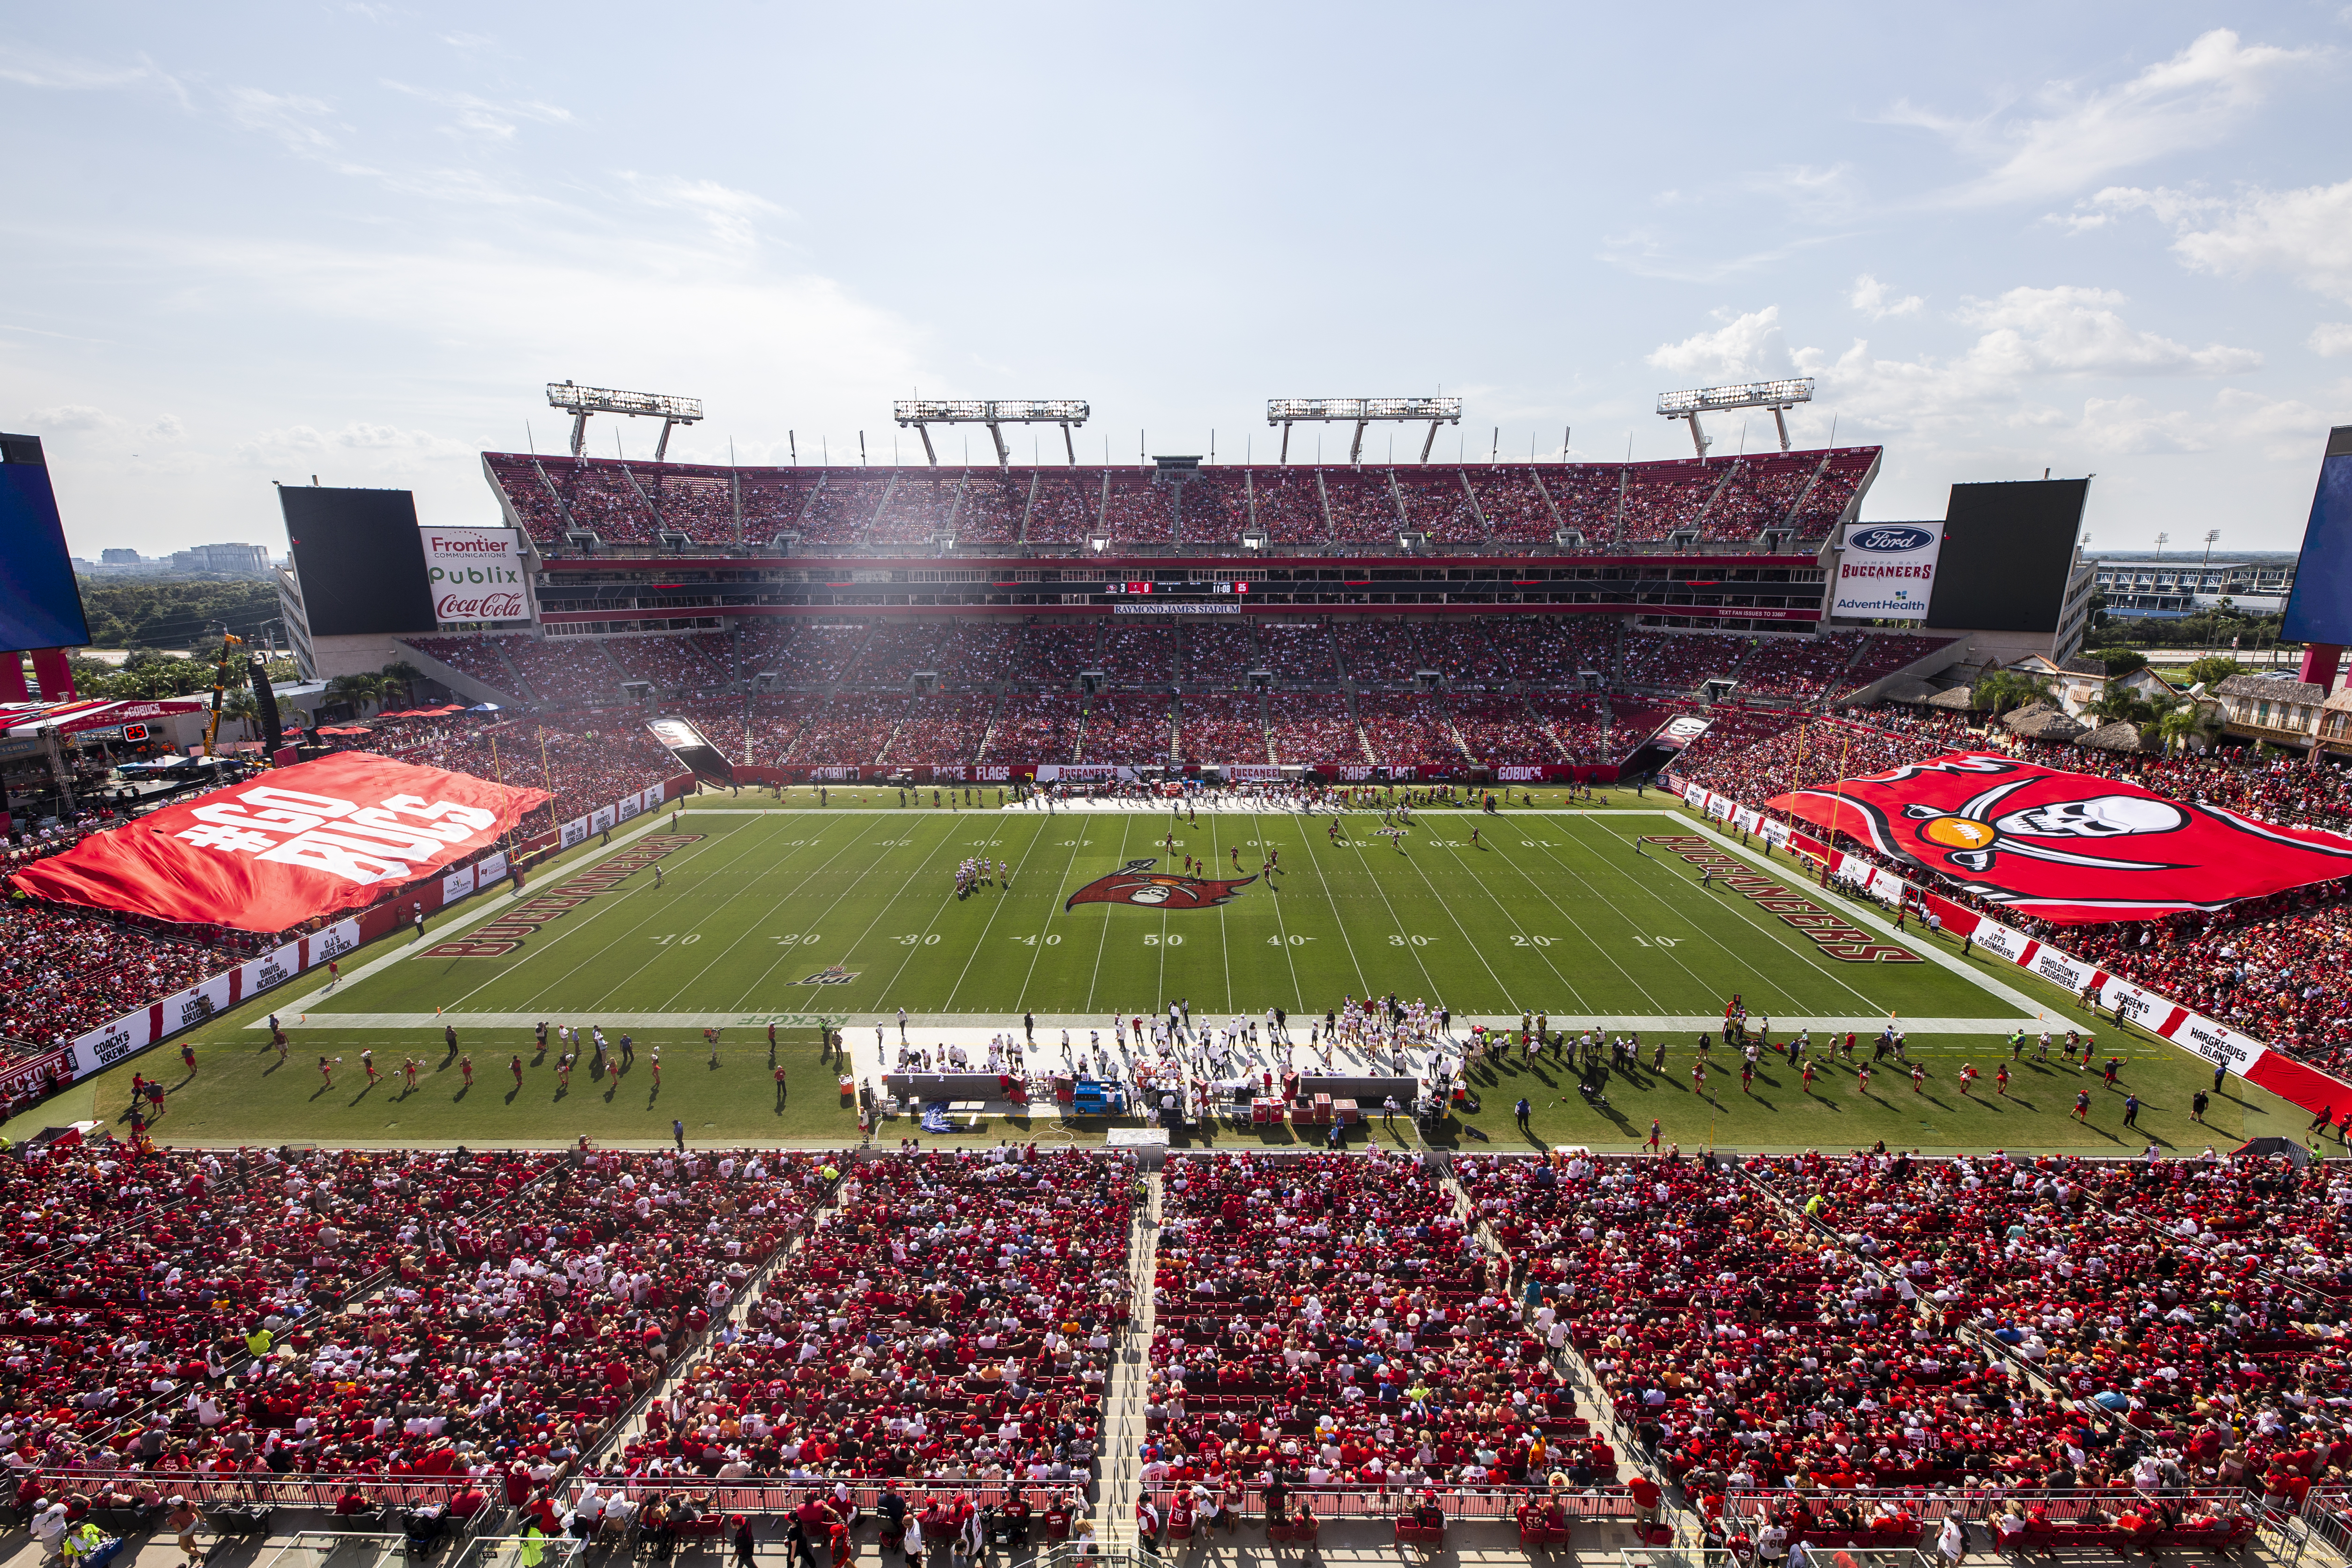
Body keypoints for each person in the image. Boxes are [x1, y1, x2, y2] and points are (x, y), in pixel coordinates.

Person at [166, 1496, 204, 1567]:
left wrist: (171, 1524)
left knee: (184, 1547)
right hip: (194, 1522)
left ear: (173, 1505)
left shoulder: (174, 1517)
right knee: (190, 1540)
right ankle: (194, 1554)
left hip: (186, 1529)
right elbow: (198, 1513)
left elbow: (179, 1530)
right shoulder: (190, 1503)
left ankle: (202, 1555)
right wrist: (203, 1519)